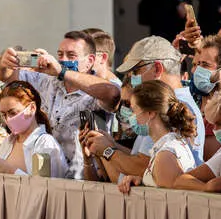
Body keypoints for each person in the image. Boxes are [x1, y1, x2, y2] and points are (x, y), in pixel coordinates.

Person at [0, 30, 120, 179]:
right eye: (60, 55)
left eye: (71, 55)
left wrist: (62, 72)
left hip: (84, 181)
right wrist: (4, 62)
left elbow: (113, 94)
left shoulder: (95, 89)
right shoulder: (47, 80)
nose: (63, 59)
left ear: (90, 61)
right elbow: (2, 75)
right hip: (47, 177)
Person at [86, 36, 205, 177]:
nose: (132, 78)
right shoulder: (170, 102)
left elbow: (144, 166)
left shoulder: (170, 105)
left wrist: (108, 151)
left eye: (136, 71)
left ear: (157, 69)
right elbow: (142, 157)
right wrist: (111, 144)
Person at [118, 80, 196, 192]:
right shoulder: (167, 145)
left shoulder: (166, 154)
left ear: (151, 113)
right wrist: (142, 181)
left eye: (134, 110)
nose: (132, 116)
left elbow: (169, 203)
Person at [0, 81, 67, 177]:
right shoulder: (8, 142)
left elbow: (47, 188)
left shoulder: (45, 143)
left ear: (32, 108)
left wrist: (10, 170)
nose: (8, 119)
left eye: (13, 113)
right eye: (4, 114)